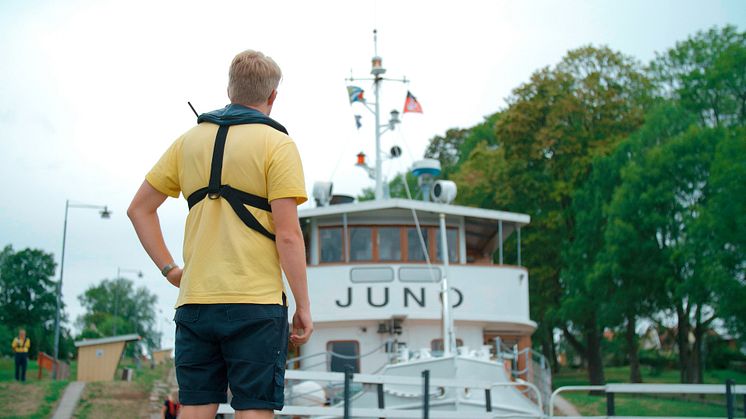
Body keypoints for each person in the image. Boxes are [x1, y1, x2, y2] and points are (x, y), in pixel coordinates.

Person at [128, 49, 312, 419]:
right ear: (273, 96)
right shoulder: (278, 145)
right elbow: (288, 235)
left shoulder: (188, 141)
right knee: (254, 409)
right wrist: (303, 305)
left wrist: (170, 270)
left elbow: (139, 209)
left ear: (230, 89)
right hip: (256, 304)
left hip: (195, 303)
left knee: (195, 409)